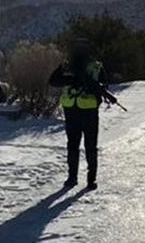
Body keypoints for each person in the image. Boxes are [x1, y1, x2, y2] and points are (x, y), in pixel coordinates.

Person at [48, 39, 117, 190]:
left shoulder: (70, 65)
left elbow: (102, 88)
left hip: (74, 109)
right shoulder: (93, 66)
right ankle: (86, 180)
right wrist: (73, 80)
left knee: (76, 145)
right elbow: (54, 81)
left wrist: (86, 84)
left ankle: (76, 179)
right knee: (87, 146)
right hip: (84, 111)